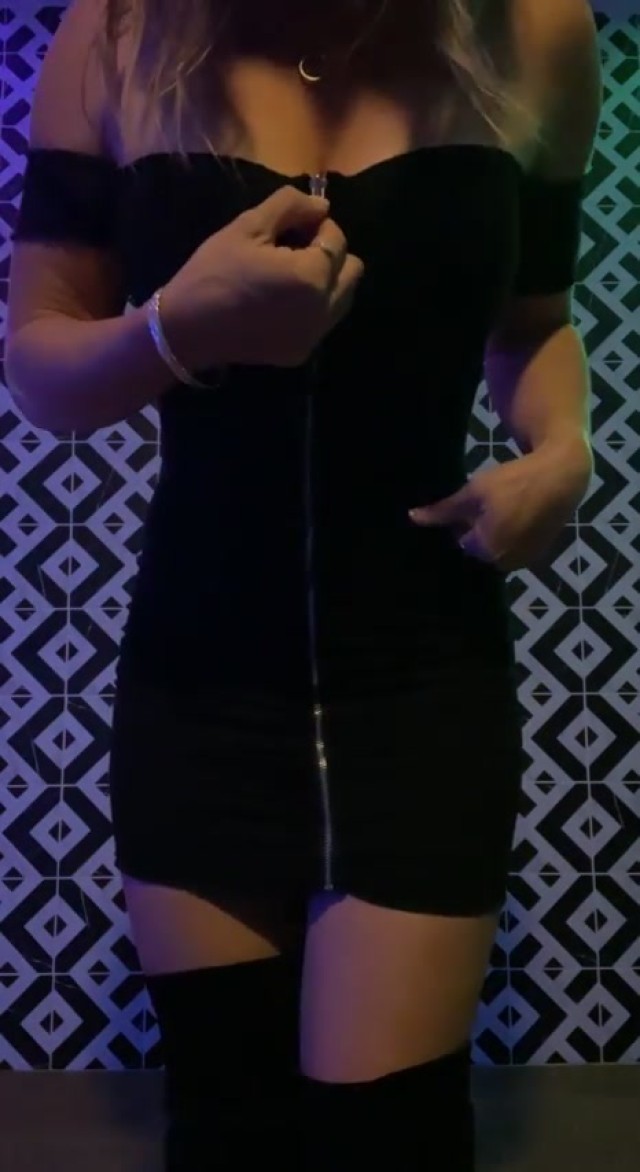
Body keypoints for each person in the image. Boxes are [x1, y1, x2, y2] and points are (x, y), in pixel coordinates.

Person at [6, 0, 600, 1168]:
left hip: (424, 676)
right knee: (228, 1124)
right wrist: (175, 331)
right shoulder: (116, 34)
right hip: (197, 675)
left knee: (393, 1137)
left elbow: (534, 321)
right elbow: (39, 363)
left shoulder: (535, 28)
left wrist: (565, 450)